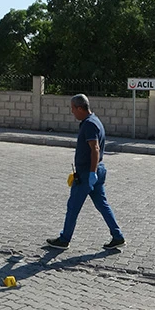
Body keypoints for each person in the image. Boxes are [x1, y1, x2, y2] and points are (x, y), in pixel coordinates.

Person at [47, 94, 125, 250]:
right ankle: (117, 236)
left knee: (73, 206)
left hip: (87, 173)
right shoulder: (94, 120)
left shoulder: (89, 124)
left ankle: (64, 239)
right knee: (102, 205)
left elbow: (94, 149)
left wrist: (91, 173)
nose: (72, 112)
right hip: (96, 170)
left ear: (80, 108)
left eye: (73, 109)